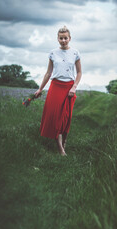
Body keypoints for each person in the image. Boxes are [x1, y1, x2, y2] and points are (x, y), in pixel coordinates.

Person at [35, 26, 82, 156]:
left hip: (69, 88)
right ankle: (60, 149)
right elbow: (48, 73)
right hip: (55, 87)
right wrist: (40, 89)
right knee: (56, 118)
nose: (63, 40)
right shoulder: (52, 53)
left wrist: (74, 87)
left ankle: (64, 142)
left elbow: (79, 72)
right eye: (61, 38)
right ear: (57, 39)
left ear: (70, 38)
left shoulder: (75, 53)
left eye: (65, 38)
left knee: (66, 118)